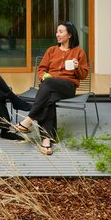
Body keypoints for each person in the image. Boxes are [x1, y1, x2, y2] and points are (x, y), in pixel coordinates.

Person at [15, 21, 89, 155]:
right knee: (49, 100)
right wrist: (43, 76)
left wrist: (77, 67)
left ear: (70, 35)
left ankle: (29, 119)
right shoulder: (51, 50)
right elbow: (41, 69)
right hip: (50, 88)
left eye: (61, 32)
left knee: (47, 84)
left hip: (67, 87)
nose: (57, 34)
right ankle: (46, 140)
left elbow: (83, 75)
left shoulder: (79, 52)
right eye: (57, 32)